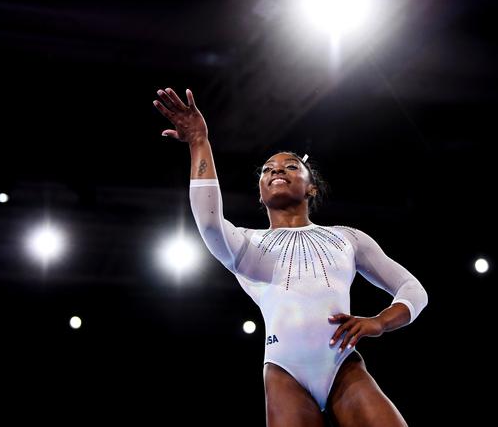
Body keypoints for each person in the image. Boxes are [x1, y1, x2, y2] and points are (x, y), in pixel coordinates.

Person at [153, 87, 428, 427]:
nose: (276, 171)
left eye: (291, 166)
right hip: (286, 375)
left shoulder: (348, 238)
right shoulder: (247, 244)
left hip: (344, 368)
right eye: (267, 169)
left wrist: (380, 322)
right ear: (260, 191)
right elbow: (208, 222)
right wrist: (198, 141)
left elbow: (412, 289)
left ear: (311, 186)